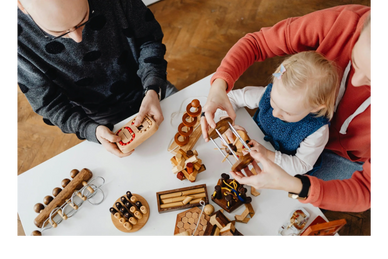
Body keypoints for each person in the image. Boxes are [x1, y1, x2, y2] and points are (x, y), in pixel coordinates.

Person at [202, 5, 374, 212]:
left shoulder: (317, 131)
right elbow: (257, 43)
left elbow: (365, 190)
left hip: (328, 157)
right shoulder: (345, 24)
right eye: (355, 60)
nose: (355, 81)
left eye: (371, 80)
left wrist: (291, 183)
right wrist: (219, 88)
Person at [15, 0, 178, 158]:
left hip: (153, 89)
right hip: (98, 121)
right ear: (20, 5)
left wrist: (153, 87)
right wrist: (91, 130)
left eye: (84, 19)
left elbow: (149, 40)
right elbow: (50, 104)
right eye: (59, 33)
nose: (78, 37)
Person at [218, 51, 338, 176]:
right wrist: (227, 121)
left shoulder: (317, 131)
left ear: (315, 107)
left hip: (282, 167)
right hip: (252, 143)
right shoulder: (269, 93)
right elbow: (231, 98)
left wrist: (267, 154)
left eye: (287, 113)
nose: (275, 114)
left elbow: (301, 165)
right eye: (273, 102)